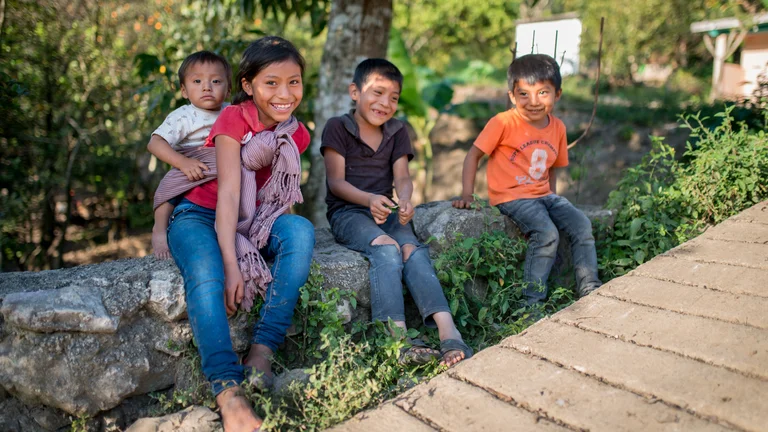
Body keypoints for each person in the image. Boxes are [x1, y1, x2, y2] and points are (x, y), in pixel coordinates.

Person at [161, 37, 314, 432]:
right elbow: (229, 191)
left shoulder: (297, 134)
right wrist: (232, 263)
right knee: (207, 275)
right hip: (198, 213)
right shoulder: (233, 118)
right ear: (247, 85)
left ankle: (262, 351)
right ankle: (229, 392)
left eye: (294, 82)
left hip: (256, 219)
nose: (284, 94)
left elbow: (281, 196)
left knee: (299, 230)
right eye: (271, 83)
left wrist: (275, 241)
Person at [322, 58, 472, 367]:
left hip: (387, 210)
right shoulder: (338, 127)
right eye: (377, 93)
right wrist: (368, 200)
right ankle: (397, 341)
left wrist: (404, 200)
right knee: (387, 250)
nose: (385, 103)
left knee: (412, 250)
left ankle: (448, 332)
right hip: (348, 212)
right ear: (355, 91)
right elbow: (336, 182)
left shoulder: (397, 130)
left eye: (393, 97)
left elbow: (402, 176)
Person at [452, 54, 601, 309]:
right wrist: (467, 194)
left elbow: (552, 168)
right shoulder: (503, 122)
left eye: (543, 92)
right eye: (523, 94)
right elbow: (473, 155)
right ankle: (532, 304)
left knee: (582, 225)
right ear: (512, 95)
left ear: (558, 94)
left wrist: (553, 200)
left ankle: (590, 287)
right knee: (546, 233)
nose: (533, 102)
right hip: (512, 197)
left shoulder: (559, 128)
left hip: (544, 196)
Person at [147, 51, 231, 259]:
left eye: (216, 81)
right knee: (169, 188)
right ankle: (159, 229)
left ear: (228, 90)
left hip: (225, 163)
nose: (206, 87)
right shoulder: (184, 116)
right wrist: (183, 163)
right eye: (197, 81)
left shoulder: (232, 111)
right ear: (184, 90)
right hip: (194, 162)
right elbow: (155, 143)